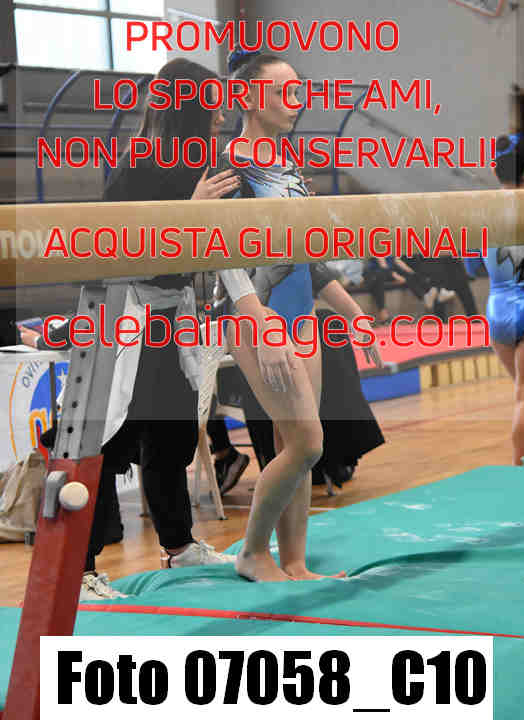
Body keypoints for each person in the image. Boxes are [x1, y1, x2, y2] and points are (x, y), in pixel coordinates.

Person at [22, 57, 243, 599]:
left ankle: (179, 544)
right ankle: (77, 568)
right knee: (106, 441)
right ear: (189, 107)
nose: (222, 115)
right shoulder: (141, 164)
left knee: (172, 435)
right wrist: (189, 210)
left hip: (169, 315)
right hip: (126, 315)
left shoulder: (200, 161)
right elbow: (123, 247)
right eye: (214, 105)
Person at [212, 48, 382, 582]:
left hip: (299, 315)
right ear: (248, 97)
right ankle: (251, 552)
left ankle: (294, 561)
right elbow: (222, 252)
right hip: (255, 316)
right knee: (310, 442)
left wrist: (352, 311)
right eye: (284, 92)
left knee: (297, 447)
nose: (297, 101)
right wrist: (257, 318)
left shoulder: (287, 165)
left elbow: (307, 256)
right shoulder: (230, 163)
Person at [482, 91, 524, 466]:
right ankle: (522, 468)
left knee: (523, 392)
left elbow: (474, 266)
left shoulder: (480, 210)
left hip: (498, 308)